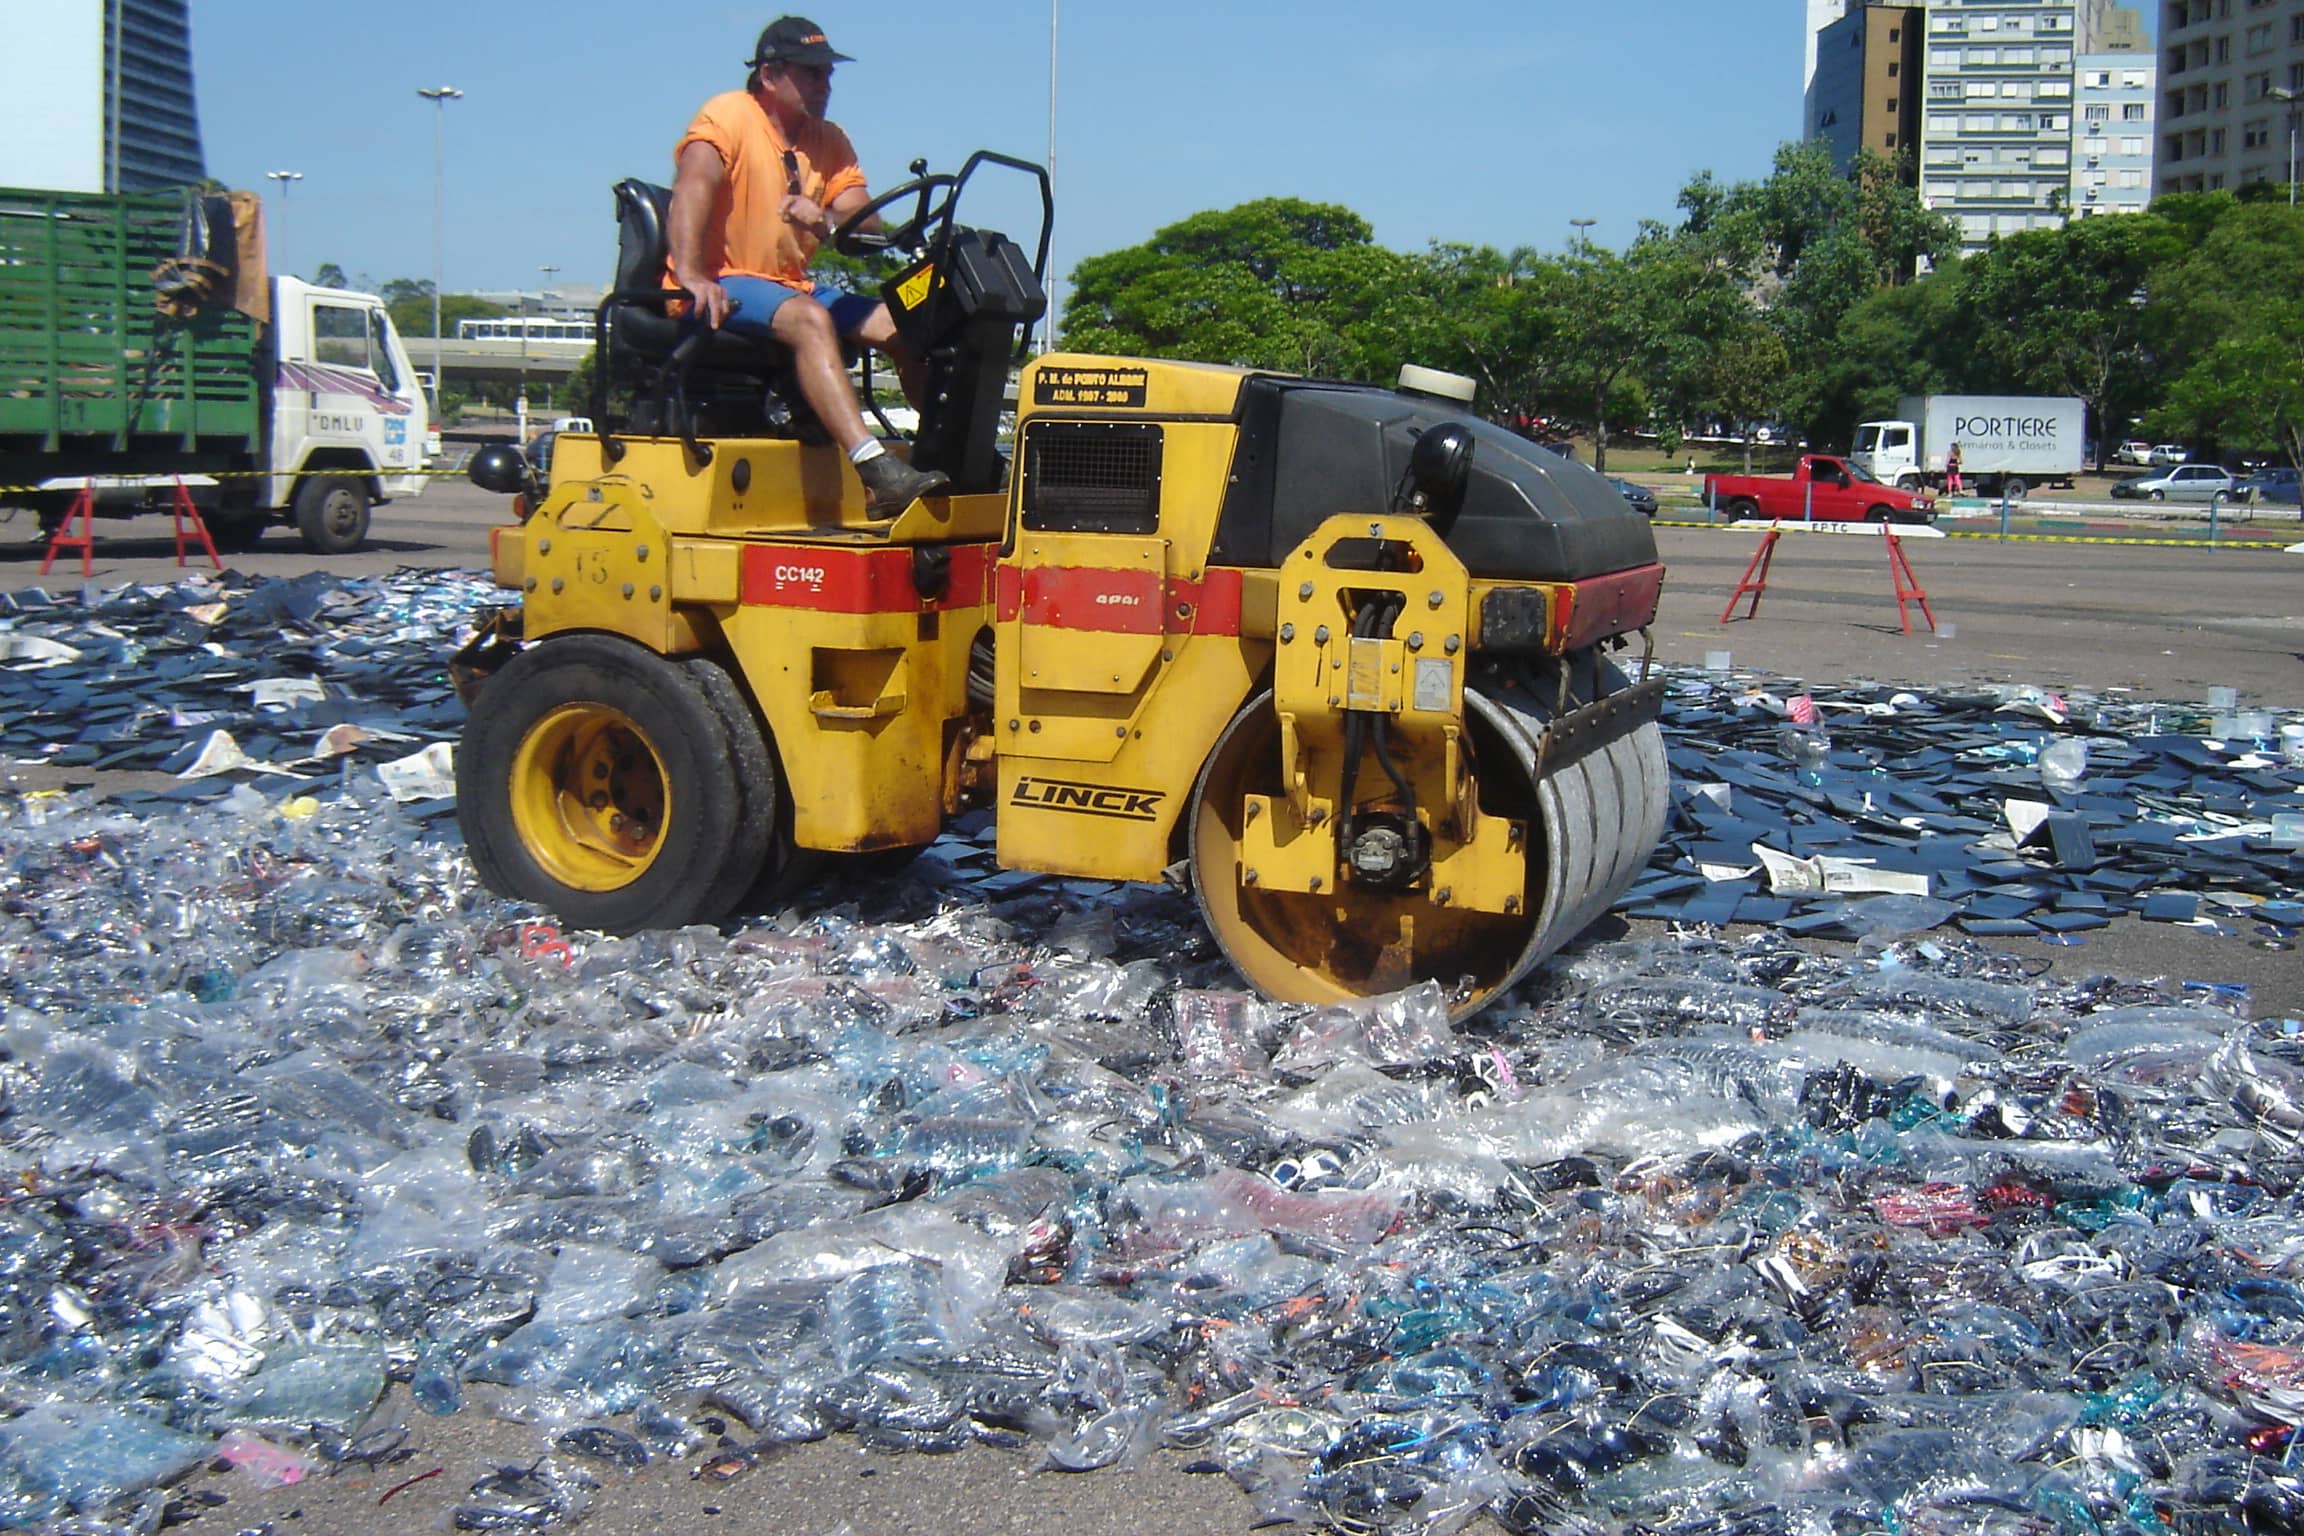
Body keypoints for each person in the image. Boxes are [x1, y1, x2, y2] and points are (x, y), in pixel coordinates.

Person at [666, 16, 947, 512]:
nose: (825, 85)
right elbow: (694, 186)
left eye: (828, 75)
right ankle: (876, 471)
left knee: (904, 322)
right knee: (810, 319)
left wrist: (827, 221)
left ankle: (953, 449)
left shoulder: (829, 139)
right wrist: (689, 275)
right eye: (812, 73)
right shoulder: (727, 116)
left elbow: (866, 222)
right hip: (725, 280)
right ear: (770, 75)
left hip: (790, 285)